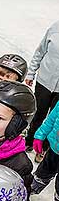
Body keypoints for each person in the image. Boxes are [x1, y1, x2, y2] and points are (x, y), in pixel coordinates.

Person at [25, 20, 59, 162]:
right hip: (44, 81)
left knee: (53, 119)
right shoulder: (55, 28)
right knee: (38, 114)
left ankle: (43, 148)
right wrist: (31, 73)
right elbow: (40, 51)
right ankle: (29, 141)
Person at [30, 100, 59, 201]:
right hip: (55, 147)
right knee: (44, 171)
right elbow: (52, 118)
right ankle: (32, 188)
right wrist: (40, 135)